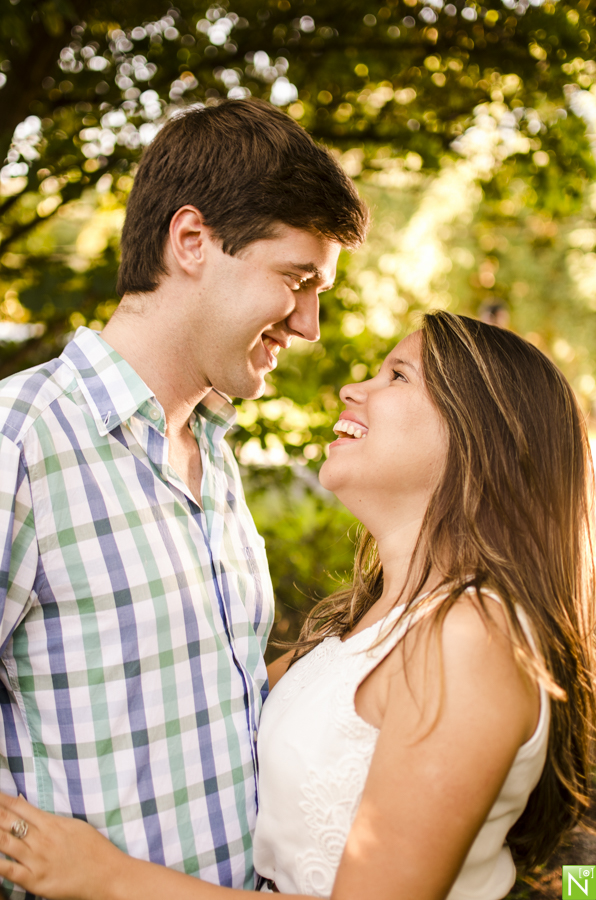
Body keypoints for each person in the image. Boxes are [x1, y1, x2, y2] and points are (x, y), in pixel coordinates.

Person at [0, 312, 593, 900]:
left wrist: (105, 876)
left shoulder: (473, 638)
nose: (353, 389)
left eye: (398, 376)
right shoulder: (364, 621)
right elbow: (207, 703)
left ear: (482, 439)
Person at [0, 98, 368, 898]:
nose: (310, 325)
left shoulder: (215, 455)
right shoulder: (18, 443)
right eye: (297, 279)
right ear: (193, 241)